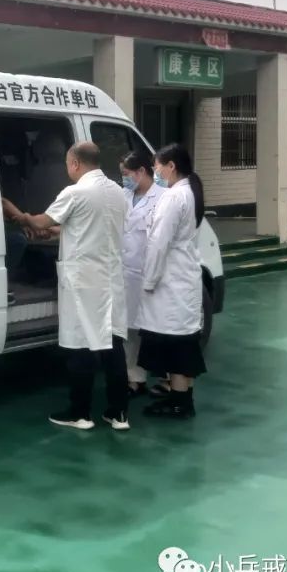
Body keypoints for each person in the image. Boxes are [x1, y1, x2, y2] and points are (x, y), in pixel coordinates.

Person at [25, 141, 130, 431]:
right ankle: (119, 413)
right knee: (113, 346)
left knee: (80, 347)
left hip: (83, 282)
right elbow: (87, 225)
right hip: (110, 280)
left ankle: (79, 413)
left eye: (67, 164)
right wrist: (56, 230)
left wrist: (19, 216)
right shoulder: (117, 192)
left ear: (75, 163)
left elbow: (41, 221)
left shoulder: (75, 192)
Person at [137, 143, 206, 419]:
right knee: (184, 343)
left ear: (171, 166)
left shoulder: (173, 197)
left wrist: (149, 281)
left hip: (170, 280)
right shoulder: (189, 191)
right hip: (183, 277)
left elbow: (158, 244)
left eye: (157, 166)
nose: (155, 171)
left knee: (176, 346)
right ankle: (183, 397)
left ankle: (179, 402)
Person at [118, 150, 167, 396]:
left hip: (152, 273)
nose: (124, 179)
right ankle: (134, 379)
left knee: (157, 329)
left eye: (126, 174)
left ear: (141, 171)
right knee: (129, 329)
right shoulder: (124, 195)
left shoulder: (163, 198)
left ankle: (167, 378)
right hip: (127, 272)